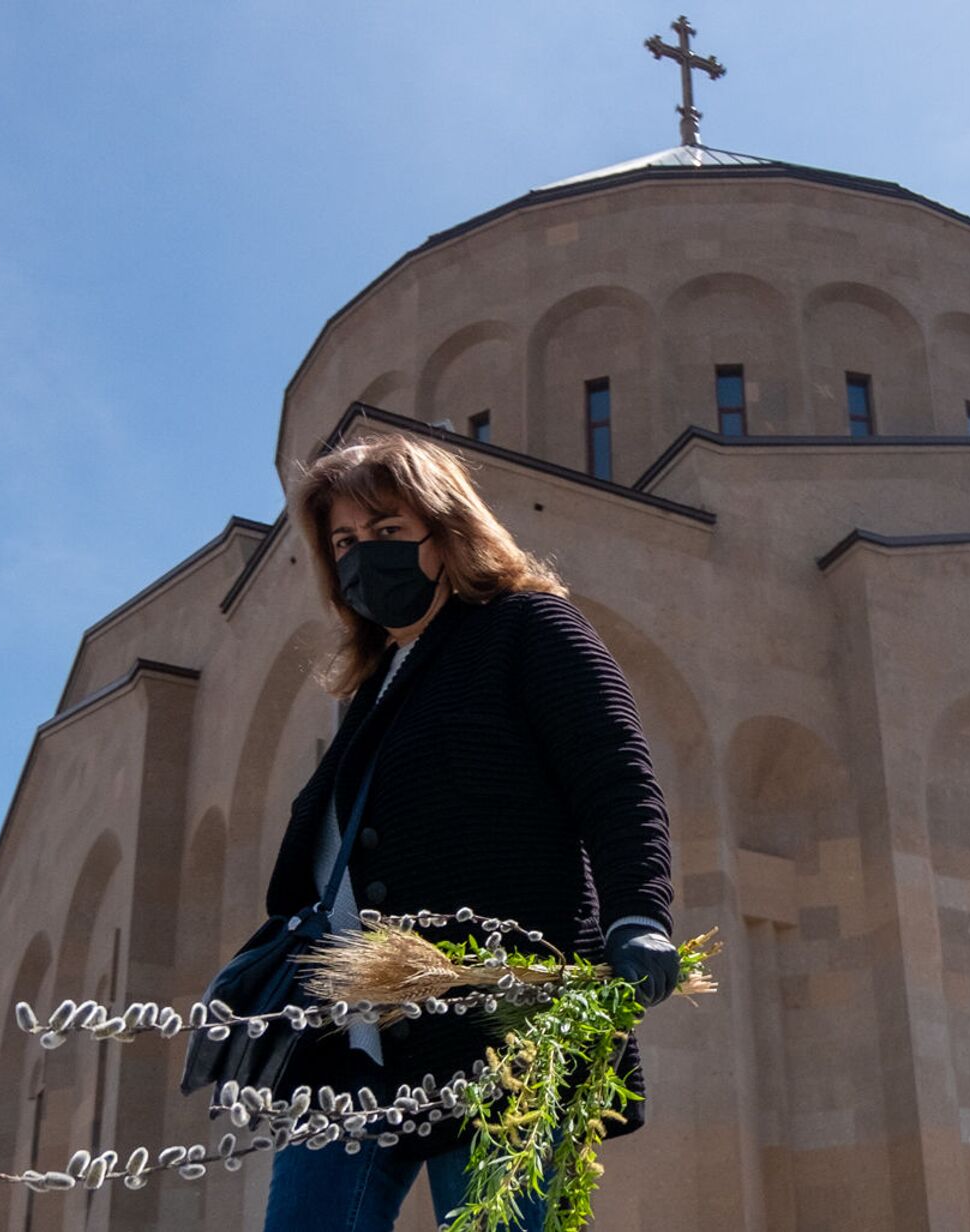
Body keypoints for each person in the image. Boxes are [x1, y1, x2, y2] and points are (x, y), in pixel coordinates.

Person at [257, 431, 681, 1232]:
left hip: (498, 1023)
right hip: (347, 1042)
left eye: (385, 532)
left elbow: (615, 773)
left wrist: (640, 912)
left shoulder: (527, 627)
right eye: (344, 541)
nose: (361, 558)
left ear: (445, 530)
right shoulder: (374, 687)